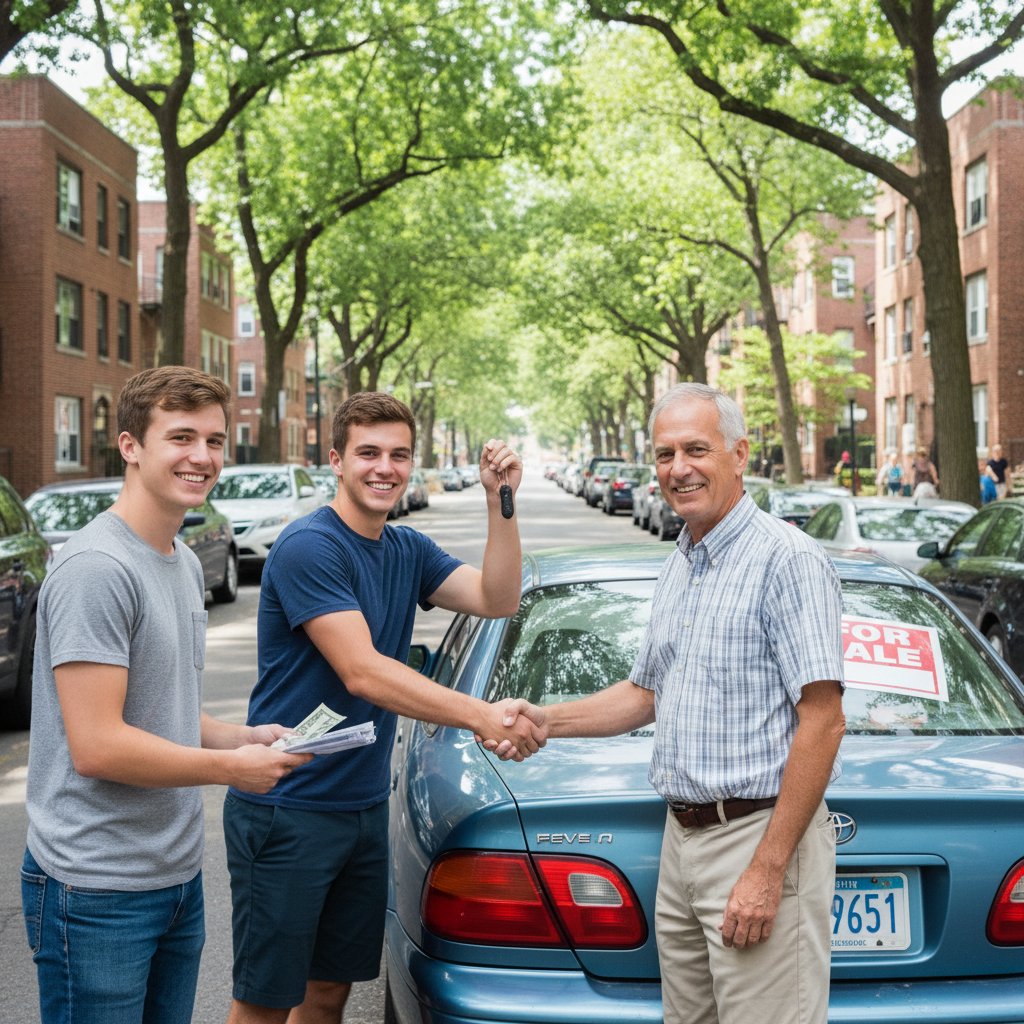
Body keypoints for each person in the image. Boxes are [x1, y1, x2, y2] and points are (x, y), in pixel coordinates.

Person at [499, 382, 846, 1024]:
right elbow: (647, 694)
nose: (678, 469)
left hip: (755, 837)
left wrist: (768, 869)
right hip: (682, 841)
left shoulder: (786, 559)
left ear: (740, 455)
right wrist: (546, 721)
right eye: (664, 455)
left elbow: (823, 721)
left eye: (696, 449)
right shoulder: (683, 559)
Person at [223, 392, 546, 1024]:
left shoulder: (405, 548)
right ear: (337, 461)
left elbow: (497, 597)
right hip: (290, 809)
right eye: (368, 453)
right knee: (263, 1002)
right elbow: (363, 671)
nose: (385, 468)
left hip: (363, 804)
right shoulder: (310, 547)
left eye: (399, 455)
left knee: (328, 992)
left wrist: (499, 502)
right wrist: (481, 715)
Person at [21, 366, 313, 1024]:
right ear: (131, 446)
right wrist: (232, 771)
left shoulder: (180, 561)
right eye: (181, 437)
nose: (202, 456)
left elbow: (162, 710)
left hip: (175, 876)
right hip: (95, 888)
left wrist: (243, 737)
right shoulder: (98, 568)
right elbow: (97, 745)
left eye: (214, 441)